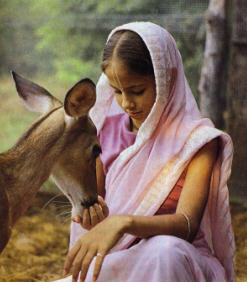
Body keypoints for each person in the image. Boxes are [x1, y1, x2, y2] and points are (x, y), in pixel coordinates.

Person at [56, 22, 235, 282]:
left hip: (178, 262)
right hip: (120, 256)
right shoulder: (104, 132)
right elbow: (96, 207)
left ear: (166, 78)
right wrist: (92, 217)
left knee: (165, 251)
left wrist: (124, 223)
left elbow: (187, 224)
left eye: (137, 91)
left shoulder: (197, 141)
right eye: (117, 92)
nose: (127, 103)